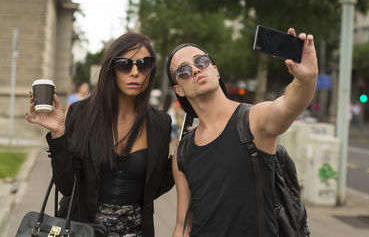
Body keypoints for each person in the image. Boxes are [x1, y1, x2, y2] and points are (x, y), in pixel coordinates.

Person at [166, 28, 318, 237]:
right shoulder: (183, 151)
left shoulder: (252, 121)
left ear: (215, 69)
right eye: (183, 70)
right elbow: (183, 225)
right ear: (179, 90)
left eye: (201, 61)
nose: (195, 69)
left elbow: (288, 105)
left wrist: (305, 80)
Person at [26, 32, 174, 237]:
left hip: (136, 232)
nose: (134, 72)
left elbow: (155, 186)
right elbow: (67, 186)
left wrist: (183, 155)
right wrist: (59, 133)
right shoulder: (81, 113)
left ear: (151, 69)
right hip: (81, 230)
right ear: (111, 69)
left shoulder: (161, 123)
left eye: (143, 64)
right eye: (124, 64)